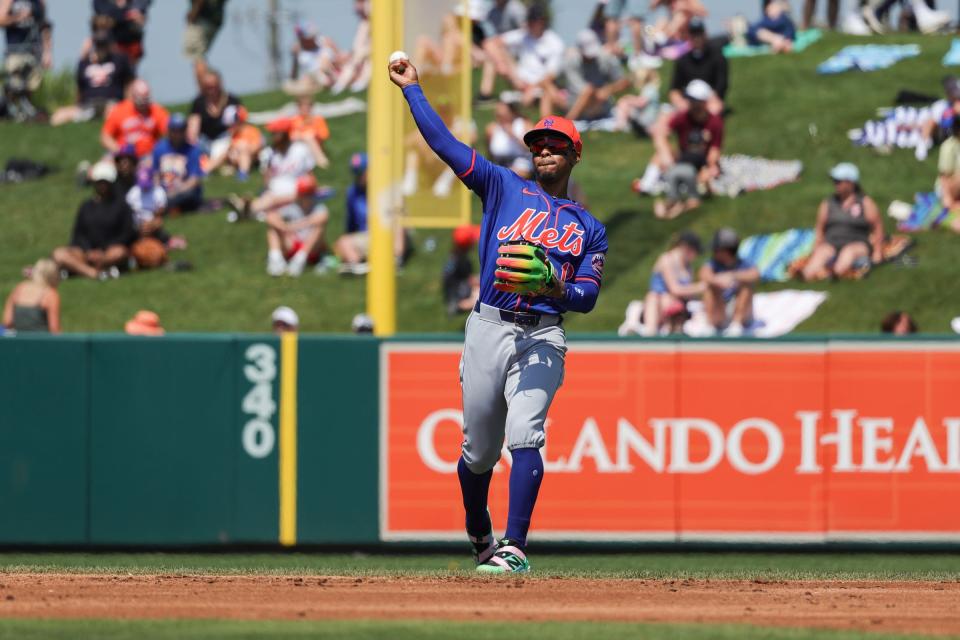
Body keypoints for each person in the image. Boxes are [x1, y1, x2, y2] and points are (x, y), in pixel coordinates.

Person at [389, 55, 608, 573]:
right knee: (479, 452)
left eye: (556, 145)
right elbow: (445, 146)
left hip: (543, 335)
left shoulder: (588, 227)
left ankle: (515, 547)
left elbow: (587, 296)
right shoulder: (503, 185)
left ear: (576, 155)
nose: (545, 150)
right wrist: (413, 91)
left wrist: (555, 284)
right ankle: (478, 528)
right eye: (538, 144)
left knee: (527, 432)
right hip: (489, 325)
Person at [641, 79, 723, 218]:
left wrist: (709, 165)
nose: (689, 103)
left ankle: (679, 198)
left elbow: (715, 150)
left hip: (701, 161)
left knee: (709, 173)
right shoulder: (683, 117)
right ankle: (647, 186)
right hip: (683, 158)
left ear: (702, 102)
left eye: (692, 100)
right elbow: (661, 134)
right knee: (659, 156)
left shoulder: (714, 122)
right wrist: (667, 155)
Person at [52, 162, 136, 280]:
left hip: (109, 252)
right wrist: (87, 251)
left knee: (119, 253)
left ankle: (80, 269)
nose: (102, 185)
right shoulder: (86, 206)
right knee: (59, 254)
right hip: (86, 253)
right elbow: (78, 234)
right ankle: (92, 272)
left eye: (105, 182)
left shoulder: (121, 206)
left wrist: (102, 251)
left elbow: (127, 233)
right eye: (99, 182)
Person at [802, 163, 884, 281]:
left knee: (848, 253)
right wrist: (816, 247)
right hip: (832, 242)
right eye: (834, 181)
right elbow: (820, 228)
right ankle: (808, 275)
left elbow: (877, 227)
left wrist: (877, 252)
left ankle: (834, 275)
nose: (835, 184)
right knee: (818, 257)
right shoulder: (828, 203)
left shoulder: (865, 203)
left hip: (857, 243)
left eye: (838, 181)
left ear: (850, 183)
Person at [481, 4, 565, 117]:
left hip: (541, 84)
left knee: (549, 91)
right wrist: (500, 63)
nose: (529, 24)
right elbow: (490, 43)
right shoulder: (523, 34)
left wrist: (532, 88)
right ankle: (485, 95)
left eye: (533, 21)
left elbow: (551, 75)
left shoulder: (555, 43)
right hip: (519, 81)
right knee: (499, 54)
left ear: (542, 22)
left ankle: (546, 127)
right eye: (529, 20)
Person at [231, 117, 317, 220]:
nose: (272, 136)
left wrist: (313, 189)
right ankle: (249, 209)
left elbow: (310, 174)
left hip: (296, 192)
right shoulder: (269, 153)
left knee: (272, 200)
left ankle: (248, 209)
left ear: (284, 134)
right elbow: (267, 181)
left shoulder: (300, 149)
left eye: (275, 133)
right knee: (270, 198)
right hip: (274, 191)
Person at [51, 29, 134, 126]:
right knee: (58, 116)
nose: (101, 48)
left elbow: (129, 84)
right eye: (98, 44)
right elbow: (79, 90)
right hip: (88, 106)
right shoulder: (84, 63)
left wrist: (128, 106)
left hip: (112, 105)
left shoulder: (119, 60)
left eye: (103, 44)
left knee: (114, 113)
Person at [265, 174, 330, 277]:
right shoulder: (292, 206)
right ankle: (275, 259)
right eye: (304, 194)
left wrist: (294, 226)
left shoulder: (318, 207)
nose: (306, 197)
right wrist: (283, 226)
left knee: (318, 229)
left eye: (308, 194)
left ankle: (299, 261)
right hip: (292, 244)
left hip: (311, 248)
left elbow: (322, 217)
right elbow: (270, 216)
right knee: (273, 229)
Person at [641, 231, 704, 336]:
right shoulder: (667, 260)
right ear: (686, 248)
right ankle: (650, 333)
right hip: (659, 304)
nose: (696, 256)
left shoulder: (688, 267)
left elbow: (687, 293)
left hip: (677, 304)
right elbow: (675, 289)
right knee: (655, 296)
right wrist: (700, 287)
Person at [699, 228, 759, 337]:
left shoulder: (743, 263)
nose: (713, 252)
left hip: (740, 310)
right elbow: (704, 275)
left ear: (725, 251)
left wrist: (733, 276)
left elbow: (755, 274)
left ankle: (737, 325)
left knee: (746, 286)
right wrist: (718, 280)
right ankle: (711, 324)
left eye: (716, 250)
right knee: (710, 288)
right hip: (721, 308)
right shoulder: (713, 264)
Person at [560, 29, 630, 121]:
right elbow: (583, 90)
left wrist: (609, 89)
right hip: (576, 101)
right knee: (587, 91)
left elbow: (624, 81)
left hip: (600, 102)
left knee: (589, 91)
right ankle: (562, 123)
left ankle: (566, 123)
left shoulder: (605, 57)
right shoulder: (571, 62)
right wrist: (597, 92)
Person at [0, 0, 52, 122]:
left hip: (34, 51)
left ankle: (25, 115)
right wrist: (17, 17)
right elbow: (1, 20)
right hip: (15, 50)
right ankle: (11, 113)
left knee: (31, 86)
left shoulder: (39, 3)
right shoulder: (9, 1)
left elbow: (45, 26)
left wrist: (47, 52)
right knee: (15, 86)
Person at [669, 17, 727, 115]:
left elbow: (722, 84)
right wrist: (680, 102)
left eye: (699, 34)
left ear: (704, 34)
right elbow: (674, 89)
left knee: (714, 109)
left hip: (709, 100)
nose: (696, 37)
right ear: (689, 36)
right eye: (693, 34)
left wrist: (708, 101)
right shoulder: (683, 60)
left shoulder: (717, 56)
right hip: (688, 101)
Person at [101, 79, 170, 158]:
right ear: (133, 97)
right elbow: (105, 137)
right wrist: (119, 151)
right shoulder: (119, 110)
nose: (143, 104)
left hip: (149, 155)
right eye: (140, 100)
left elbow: (170, 131)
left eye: (146, 99)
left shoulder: (156, 110)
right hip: (124, 155)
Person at [151, 113, 204, 214]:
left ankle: (166, 207)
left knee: (191, 194)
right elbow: (156, 174)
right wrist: (158, 192)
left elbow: (194, 180)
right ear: (169, 131)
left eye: (181, 130)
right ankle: (168, 206)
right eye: (175, 130)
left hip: (183, 190)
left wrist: (175, 192)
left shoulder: (193, 150)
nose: (178, 134)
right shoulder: (159, 148)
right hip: (164, 190)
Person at [2, 257, 60, 333]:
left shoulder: (20, 289)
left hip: (17, 341)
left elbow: (7, 321)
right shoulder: (50, 294)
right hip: (40, 342)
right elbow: (54, 329)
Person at [187, 68, 241, 148]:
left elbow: (238, 125)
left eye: (214, 86)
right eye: (208, 87)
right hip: (205, 141)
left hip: (226, 139)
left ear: (220, 84)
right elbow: (193, 125)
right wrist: (192, 141)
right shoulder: (199, 102)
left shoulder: (231, 100)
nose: (211, 91)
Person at [206, 104, 262, 180]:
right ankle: (207, 170)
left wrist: (241, 148)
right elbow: (231, 145)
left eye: (231, 125)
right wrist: (232, 150)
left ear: (239, 121)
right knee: (224, 152)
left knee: (243, 148)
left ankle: (243, 173)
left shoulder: (251, 131)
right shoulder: (234, 134)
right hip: (234, 157)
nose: (229, 128)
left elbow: (257, 147)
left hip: (250, 158)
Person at [285, 20, 339, 94]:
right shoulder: (299, 51)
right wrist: (295, 58)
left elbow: (338, 57)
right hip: (312, 76)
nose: (312, 39)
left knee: (324, 64)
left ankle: (330, 81)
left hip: (330, 70)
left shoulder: (324, 42)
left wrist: (333, 47)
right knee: (291, 84)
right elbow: (294, 76)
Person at [184, 0, 229, 85]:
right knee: (200, 56)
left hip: (201, 19)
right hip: (216, 19)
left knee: (197, 57)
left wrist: (193, 13)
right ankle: (211, 88)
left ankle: (207, 91)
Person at [92, 0, 150, 66]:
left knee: (127, 72)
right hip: (110, 43)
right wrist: (127, 14)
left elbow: (140, 11)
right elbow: (104, 10)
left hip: (131, 44)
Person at [331, 0, 370, 95]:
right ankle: (341, 84)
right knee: (354, 60)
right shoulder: (363, 23)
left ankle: (361, 82)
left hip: (373, 52)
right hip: (360, 55)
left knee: (366, 61)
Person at [614, 57, 661, 136]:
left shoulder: (650, 88)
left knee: (624, 103)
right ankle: (622, 124)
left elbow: (642, 102)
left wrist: (628, 99)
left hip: (647, 117)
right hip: (646, 116)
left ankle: (621, 125)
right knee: (624, 103)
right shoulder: (649, 88)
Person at [443, 224, 482, 315]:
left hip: (459, 292)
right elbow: (470, 281)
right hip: (460, 300)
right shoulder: (459, 262)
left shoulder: (458, 258)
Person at [289, 93, 331, 169]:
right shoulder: (293, 121)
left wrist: (313, 133)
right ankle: (322, 161)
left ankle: (321, 161)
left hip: (314, 147)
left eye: (308, 106)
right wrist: (303, 136)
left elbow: (324, 135)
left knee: (309, 136)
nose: (305, 109)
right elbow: (291, 136)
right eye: (302, 106)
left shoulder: (317, 119)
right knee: (306, 137)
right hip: (297, 146)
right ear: (298, 107)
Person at [485, 98, 530, 166]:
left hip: (520, 161)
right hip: (499, 162)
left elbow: (530, 147)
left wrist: (513, 135)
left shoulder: (523, 123)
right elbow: (489, 152)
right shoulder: (491, 128)